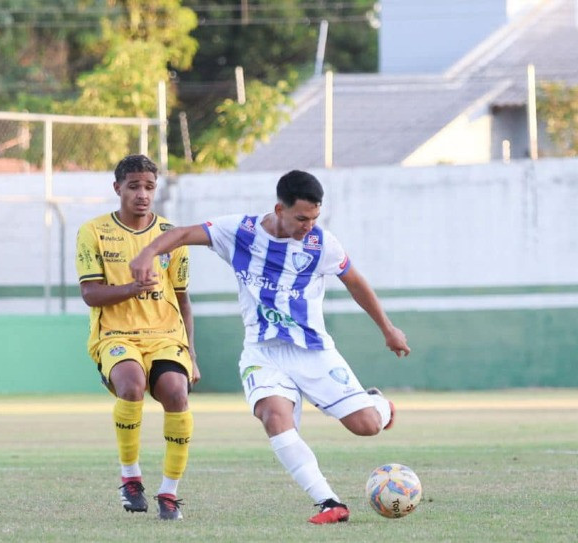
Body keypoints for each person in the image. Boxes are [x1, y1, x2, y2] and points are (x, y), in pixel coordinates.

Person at [129, 169, 410, 524]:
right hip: (263, 352)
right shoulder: (241, 232)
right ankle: (329, 503)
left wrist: (388, 329)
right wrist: (146, 254)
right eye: (302, 218)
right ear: (280, 209)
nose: (309, 225)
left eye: (315, 218)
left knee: (366, 425)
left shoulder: (321, 244)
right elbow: (183, 233)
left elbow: (355, 282)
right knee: (273, 417)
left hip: (312, 352)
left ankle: (379, 405)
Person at [75, 154, 199, 521]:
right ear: (118, 189)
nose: (142, 195)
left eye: (149, 187)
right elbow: (90, 295)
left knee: (176, 392)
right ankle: (130, 478)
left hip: (165, 335)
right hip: (116, 333)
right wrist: (133, 288)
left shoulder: (171, 236)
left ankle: (169, 493)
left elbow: (183, 299)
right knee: (131, 385)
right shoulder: (93, 232)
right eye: (134, 187)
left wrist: (191, 354)